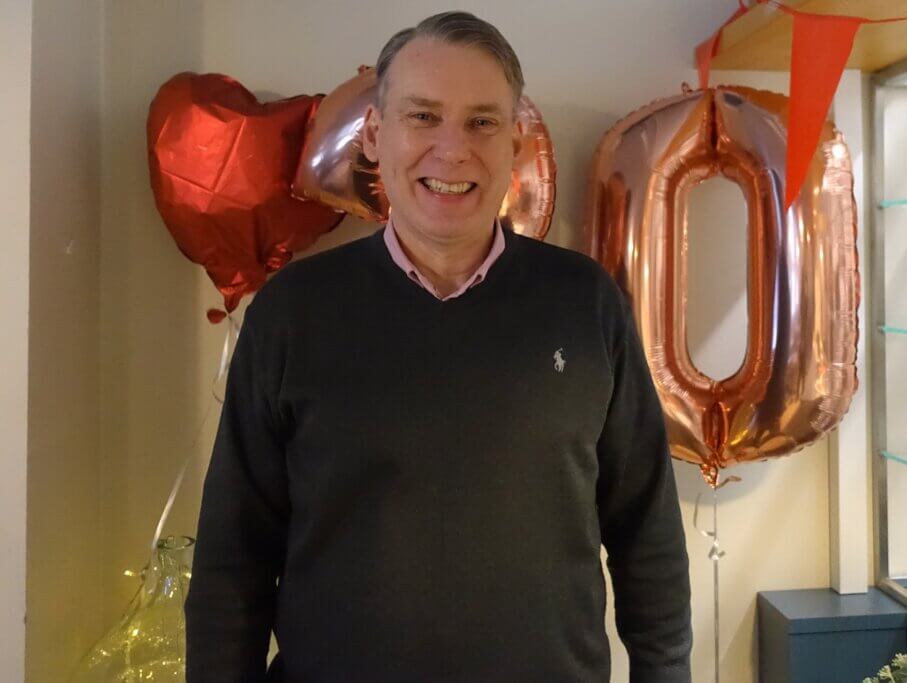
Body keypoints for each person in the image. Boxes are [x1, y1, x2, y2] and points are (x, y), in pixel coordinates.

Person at [184, 10, 692, 682]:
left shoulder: (585, 304)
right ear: (375, 134)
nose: (451, 150)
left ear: (514, 142)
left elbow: (646, 533)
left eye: (482, 121)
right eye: (423, 117)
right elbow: (233, 562)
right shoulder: (292, 313)